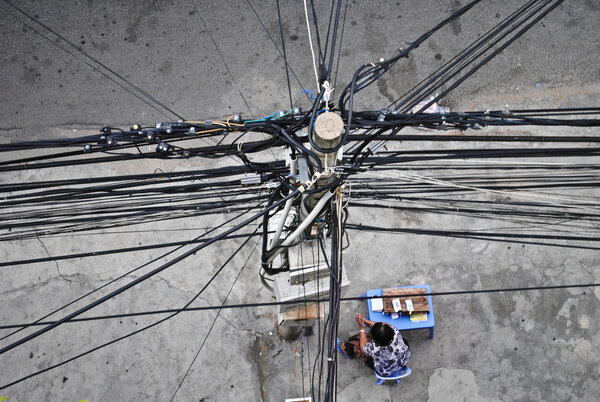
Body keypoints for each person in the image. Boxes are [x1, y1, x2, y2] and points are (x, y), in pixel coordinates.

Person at [354, 313, 411, 377]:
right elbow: (385, 326)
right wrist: (366, 321)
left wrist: (361, 328)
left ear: (376, 341)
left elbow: (363, 348)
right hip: (404, 359)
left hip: (386, 372)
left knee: (364, 356)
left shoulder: (374, 348)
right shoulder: (395, 331)